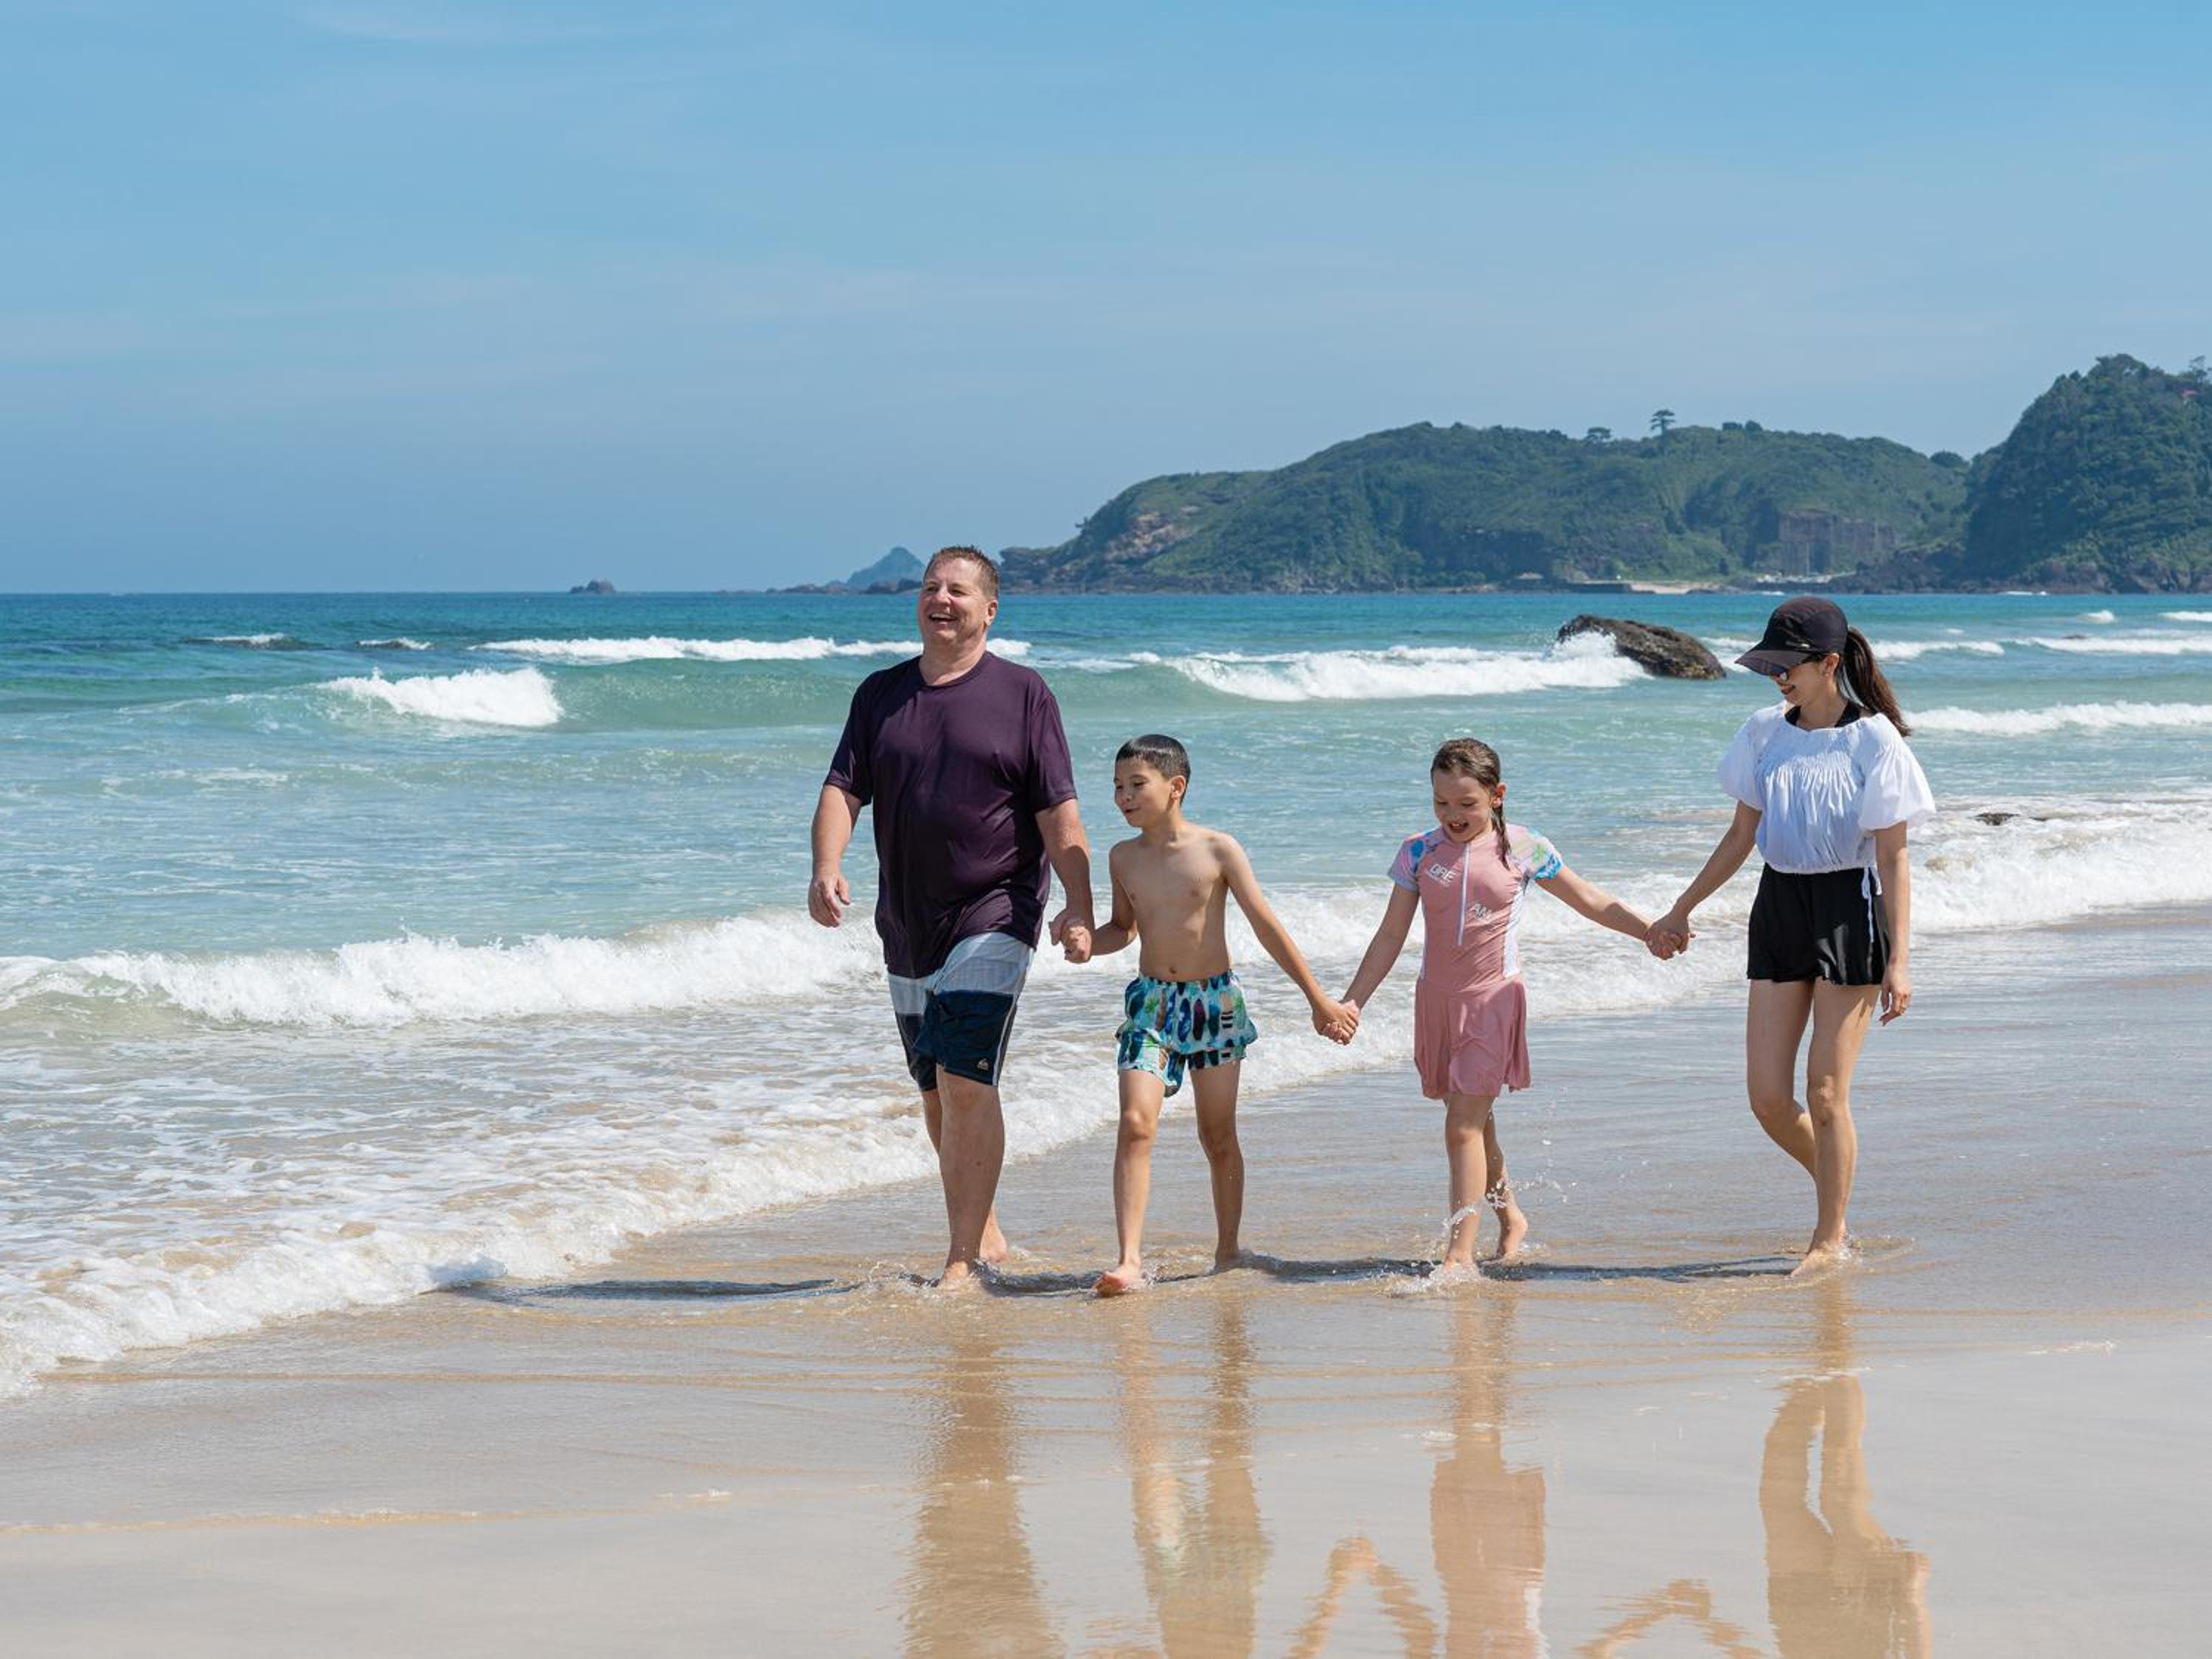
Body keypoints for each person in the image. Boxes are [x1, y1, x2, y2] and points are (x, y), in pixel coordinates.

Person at [810, 546, 1094, 1289]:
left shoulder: (1024, 694)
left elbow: (1057, 809)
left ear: (989, 610)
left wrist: (1080, 902)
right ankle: (986, 1231)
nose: (941, 598)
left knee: (966, 1077)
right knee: (936, 1090)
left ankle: (961, 1261)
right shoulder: (881, 695)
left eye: (958, 590)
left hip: (998, 908)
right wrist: (826, 865)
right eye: (931, 587)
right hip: (908, 921)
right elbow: (843, 789)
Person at [1647, 596, 1933, 1279]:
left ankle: (1828, 1238)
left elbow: (1893, 857)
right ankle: (1838, 1183)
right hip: (1778, 904)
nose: (1777, 678)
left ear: (1829, 664)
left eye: (1788, 666)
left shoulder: (1875, 741)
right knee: (1769, 1099)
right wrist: (1680, 909)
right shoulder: (1763, 733)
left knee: (1827, 1092)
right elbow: (1739, 837)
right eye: (1771, 667)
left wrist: (1900, 960)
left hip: (1848, 909)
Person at [1341, 737, 1658, 1270]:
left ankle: (1459, 1255)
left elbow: (1590, 900)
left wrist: (1650, 930)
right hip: (1437, 1002)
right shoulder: (1418, 851)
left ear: (1497, 795)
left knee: (1461, 1127)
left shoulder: (1522, 847)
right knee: (1473, 1122)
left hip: (1494, 1001)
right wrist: (1354, 1001)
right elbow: (1391, 934)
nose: (1453, 815)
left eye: (1466, 803)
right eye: (1441, 802)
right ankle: (1510, 1216)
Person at [1083, 734, 1357, 1295]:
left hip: (1214, 1005)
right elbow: (1123, 929)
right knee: (1135, 1123)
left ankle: (1228, 1249)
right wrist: (1089, 942)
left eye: (1136, 785)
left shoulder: (1218, 850)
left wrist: (1318, 999)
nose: (1123, 797)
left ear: (1175, 786)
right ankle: (1129, 1261)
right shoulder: (1122, 857)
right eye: (1117, 786)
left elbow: (1265, 925)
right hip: (1152, 1006)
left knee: (1217, 1135)